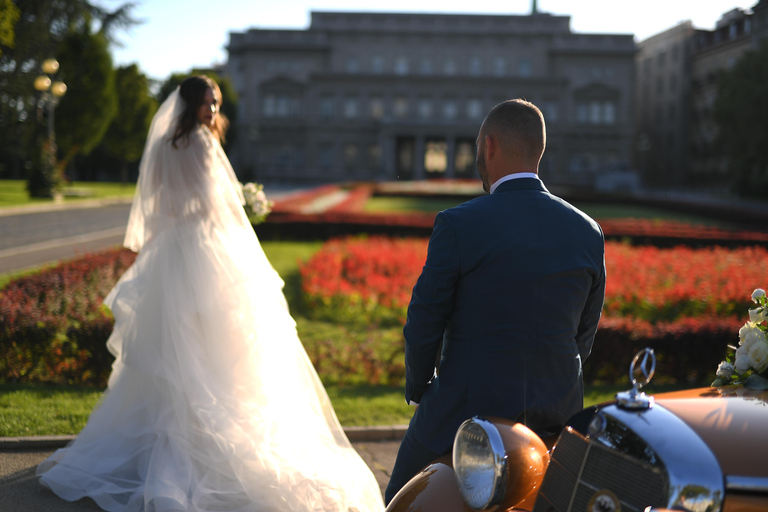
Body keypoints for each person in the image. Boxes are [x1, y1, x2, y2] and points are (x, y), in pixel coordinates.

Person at [37, 76, 385, 512]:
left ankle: (157, 445)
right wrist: (241, 204)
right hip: (204, 249)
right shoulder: (200, 144)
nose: (213, 111)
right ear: (188, 106)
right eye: (206, 103)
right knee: (218, 343)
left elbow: (160, 206)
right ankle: (201, 443)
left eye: (216, 103)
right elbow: (212, 205)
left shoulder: (164, 144)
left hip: (171, 253)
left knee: (176, 348)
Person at [384, 99, 606, 503]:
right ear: (539, 150)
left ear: (489, 146)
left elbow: (424, 321)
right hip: (555, 415)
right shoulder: (588, 231)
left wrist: (419, 386)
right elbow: (582, 337)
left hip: (466, 416)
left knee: (398, 499)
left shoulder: (458, 223)